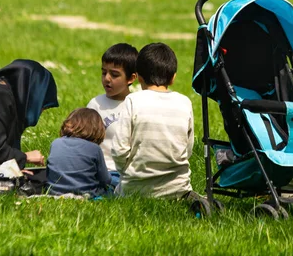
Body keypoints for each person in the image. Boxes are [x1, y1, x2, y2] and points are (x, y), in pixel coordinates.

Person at [111, 43, 195, 199]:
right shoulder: (184, 102)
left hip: (134, 189)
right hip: (177, 189)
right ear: (173, 78)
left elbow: (119, 150)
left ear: (139, 77)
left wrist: (126, 172)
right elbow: (187, 149)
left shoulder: (132, 101)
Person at [87, 43, 138, 187]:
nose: (107, 78)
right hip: (102, 171)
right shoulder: (96, 104)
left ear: (131, 78)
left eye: (114, 74)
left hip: (130, 173)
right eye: (104, 72)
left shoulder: (137, 104)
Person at [46, 108, 112, 197]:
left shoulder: (56, 143)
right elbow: (105, 180)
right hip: (86, 192)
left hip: (54, 191)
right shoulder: (94, 149)